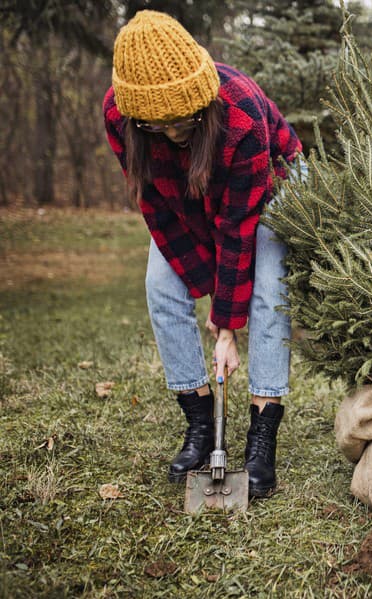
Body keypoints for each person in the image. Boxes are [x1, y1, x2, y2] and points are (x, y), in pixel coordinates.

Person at [103, 10, 302, 498]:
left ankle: (261, 434)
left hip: (274, 184)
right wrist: (205, 290)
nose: (174, 132)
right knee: (160, 285)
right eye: (158, 124)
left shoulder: (241, 111)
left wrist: (227, 325)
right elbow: (156, 208)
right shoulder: (120, 114)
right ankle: (199, 420)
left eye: (184, 119)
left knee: (270, 288)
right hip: (183, 198)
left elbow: (237, 230)